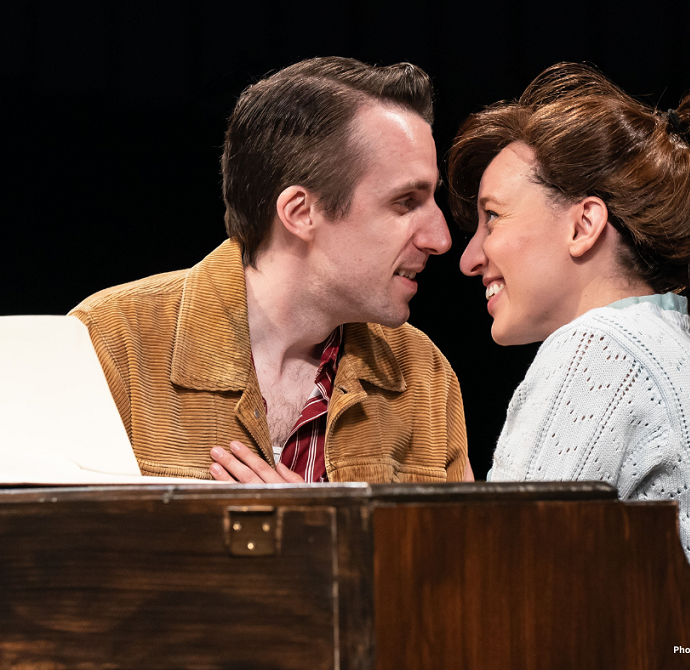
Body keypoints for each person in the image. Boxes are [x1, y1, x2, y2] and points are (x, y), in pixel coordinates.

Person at [447, 63, 690, 584]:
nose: (469, 258)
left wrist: (322, 525)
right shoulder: (668, 344)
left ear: (583, 224)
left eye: (493, 216)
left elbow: (494, 582)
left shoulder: (600, 349)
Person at [71, 57, 471, 484]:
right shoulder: (110, 343)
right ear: (300, 212)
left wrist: (319, 536)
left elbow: (466, 554)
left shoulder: (423, 377)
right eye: (406, 202)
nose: (440, 238)